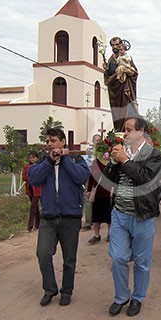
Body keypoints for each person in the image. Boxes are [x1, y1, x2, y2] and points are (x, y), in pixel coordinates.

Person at [102, 117, 161, 316]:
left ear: (141, 132)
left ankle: (137, 298)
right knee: (118, 257)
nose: (125, 134)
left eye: (129, 130)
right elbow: (108, 180)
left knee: (141, 261)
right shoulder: (121, 153)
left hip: (143, 216)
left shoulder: (154, 154)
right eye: (124, 130)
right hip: (119, 214)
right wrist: (113, 163)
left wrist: (125, 161)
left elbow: (146, 178)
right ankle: (121, 297)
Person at [27, 128, 91, 307]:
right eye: (48, 141)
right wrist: (49, 161)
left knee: (69, 258)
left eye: (53, 140)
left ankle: (67, 291)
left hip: (70, 217)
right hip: (48, 217)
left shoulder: (76, 159)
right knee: (43, 253)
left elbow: (81, 177)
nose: (49, 144)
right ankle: (49, 289)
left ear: (63, 142)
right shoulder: (43, 161)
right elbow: (33, 179)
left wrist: (66, 159)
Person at [103, 37, 139, 131]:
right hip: (115, 92)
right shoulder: (111, 60)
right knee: (117, 115)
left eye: (117, 44)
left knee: (128, 113)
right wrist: (106, 70)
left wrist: (127, 71)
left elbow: (134, 72)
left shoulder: (126, 56)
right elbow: (107, 77)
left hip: (125, 90)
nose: (115, 47)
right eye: (113, 45)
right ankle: (119, 132)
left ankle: (129, 131)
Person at [86, 157, 112, 244]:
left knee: (109, 217)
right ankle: (97, 235)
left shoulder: (113, 161)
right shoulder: (96, 162)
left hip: (109, 194)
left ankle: (110, 234)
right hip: (97, 194)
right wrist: (89, 190)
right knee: (96, 216)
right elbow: (91, 176)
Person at [22, 151, 42, 232]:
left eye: (34, 157)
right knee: (35, 208)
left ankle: (30, 226)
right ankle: (38, 224)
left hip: (37, 190)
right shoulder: (26, 167)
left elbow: (40, 177)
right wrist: (30, 177)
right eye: (30, 157)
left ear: (37, 158)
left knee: (33, 207)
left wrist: (31, 177)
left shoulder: (40, 166)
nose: (32, 159)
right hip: (30, 189)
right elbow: (24, 177)